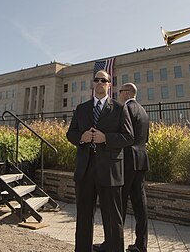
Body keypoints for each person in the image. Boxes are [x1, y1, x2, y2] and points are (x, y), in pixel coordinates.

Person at [66, 70, 134, 252]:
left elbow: (129, 137)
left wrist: (107, 138)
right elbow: (70, 134)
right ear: (92, 84)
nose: (99, 82)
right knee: (83, 218)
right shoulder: (82, 108)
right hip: (85, 170)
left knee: (112, 219)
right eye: (96, 80)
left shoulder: (120, 109)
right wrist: (82, 137)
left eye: (103, 80)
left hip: (110, 171)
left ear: (109, 85)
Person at [94, 83, 150, 252]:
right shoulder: (143, 111)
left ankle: (112, 244)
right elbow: (145, 138)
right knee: (140, 205)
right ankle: (141, 245)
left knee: (117, 204)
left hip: (125, 161)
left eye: (119, 92)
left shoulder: (125, 109)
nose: (118, 95)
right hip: (141, 160)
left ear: (126, 93)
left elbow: (126, 137)